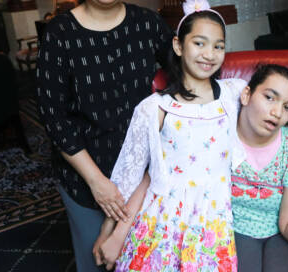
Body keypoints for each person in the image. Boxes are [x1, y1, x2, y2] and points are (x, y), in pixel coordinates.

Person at [93, 1, 247, 270]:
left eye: (218, 46)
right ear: (178, 46)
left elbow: (279, 125)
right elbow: (132, 177)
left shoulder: (235, 93)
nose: (209, 54)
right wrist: (110, 233)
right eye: (199, 43)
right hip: (164, 219)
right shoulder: (155, 108)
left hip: (213, 221)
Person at [35, 0, 172, 270]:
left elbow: (184, 73)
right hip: (86, 173)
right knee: (96, 260)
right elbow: (54, 117)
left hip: (143, 170)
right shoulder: (59, 33)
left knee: (147, 257)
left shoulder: (148, 23)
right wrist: (97, 182)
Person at [231, 64, 288, 272]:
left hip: (280, 233)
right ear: (246, 95)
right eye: (269, 97)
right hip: (230, 226)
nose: (277, 113)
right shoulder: (218, 134)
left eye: (287, 107)